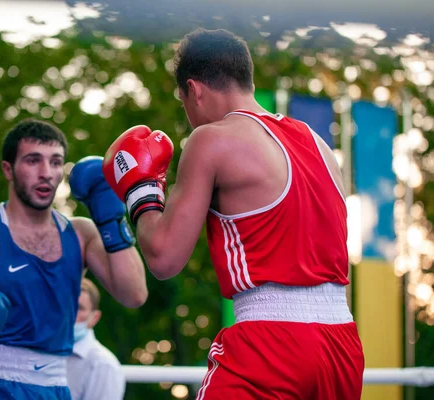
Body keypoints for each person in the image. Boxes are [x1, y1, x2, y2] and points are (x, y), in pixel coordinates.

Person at [102, 28, 365, 399]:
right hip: (341, 344)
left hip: (272, 341)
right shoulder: (317, 144)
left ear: (194, 90)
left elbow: (163, 257)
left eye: (184, 103)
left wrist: (139, 192)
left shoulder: (211, 139)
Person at [0, 119, 148, 399]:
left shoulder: (82, 234)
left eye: (56, 162)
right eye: (33, 161)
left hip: (55, 388)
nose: (46, 173)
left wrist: (111, 219)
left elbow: (134, 295)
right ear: (8, 169)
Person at [68, 278, 126, 400]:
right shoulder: (39, 352)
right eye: (66, 304)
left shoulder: (102, 365)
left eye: (79, 308)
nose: (70, 312)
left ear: (94, 318)